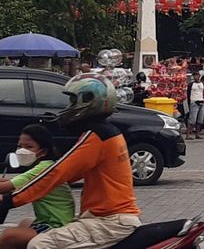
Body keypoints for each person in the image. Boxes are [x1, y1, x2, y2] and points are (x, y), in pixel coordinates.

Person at [1, 73, 141, 248]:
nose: (69, 107)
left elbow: (58, 173)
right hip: (107, 218)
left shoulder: (97, 136)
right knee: (25, 226)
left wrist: (10, 200)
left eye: (73, 101)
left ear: (89, 101)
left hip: (108, 221)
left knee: (40, 244)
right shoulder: (108, 133)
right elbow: (71, 174)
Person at [0, 125, 76, 248]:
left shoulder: (44, 168)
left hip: (56, 225)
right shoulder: (43, 166)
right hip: (48, 222)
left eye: (29, 147)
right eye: (20, 146)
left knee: (9, 236)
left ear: (43, 152)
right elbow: (12, 182)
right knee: (25, 223)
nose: (22, 150)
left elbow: (6, 187)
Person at [186, 72, 204, 140]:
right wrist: (189, 103)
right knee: (192, 120)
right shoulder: (191, 85)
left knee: (200, 120)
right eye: (194, 76)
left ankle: (197, 134)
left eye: (197, 76)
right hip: (194, 102)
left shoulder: (202, 84)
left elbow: (203, 92)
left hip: (201, 101)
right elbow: (188, 94)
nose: (196, 77)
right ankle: (188, 135)